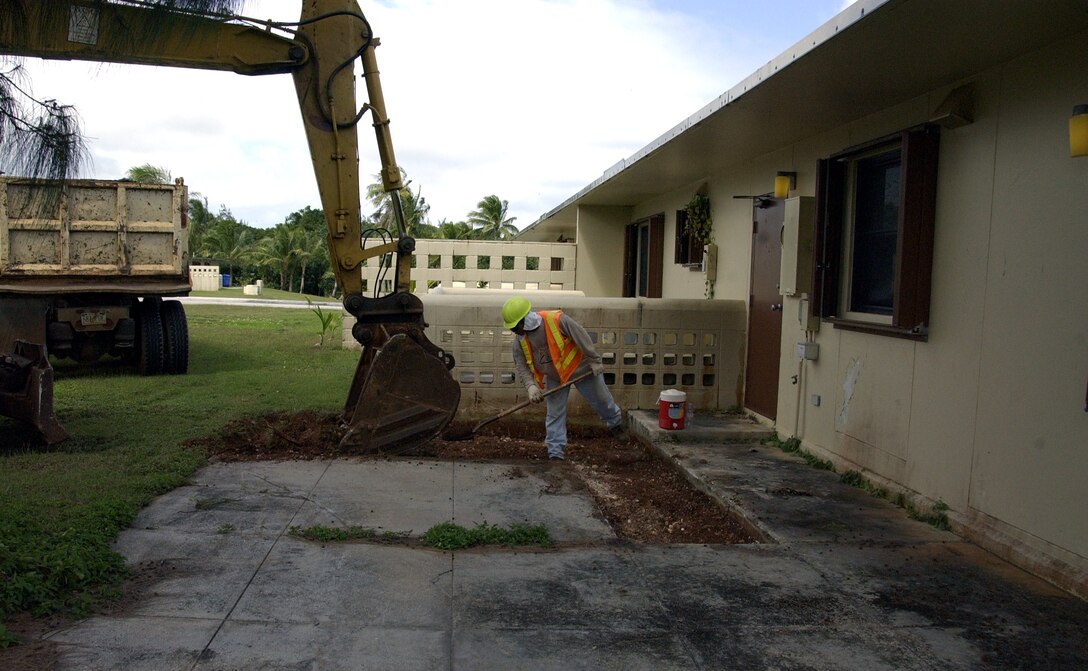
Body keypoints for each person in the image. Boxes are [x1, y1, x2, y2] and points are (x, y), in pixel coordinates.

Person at [502, 296, 628, 460]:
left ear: (524, 320)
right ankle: (555, 453)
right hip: (556, 377)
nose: (513, 331)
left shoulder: (556, 320)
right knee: (554, 414)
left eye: (514, 327)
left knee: (603, 400)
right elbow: (521, 365)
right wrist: (531, 386)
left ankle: (615, 425)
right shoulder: (519, 340)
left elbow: (581, 336)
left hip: (581, 368)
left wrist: (595, 360)